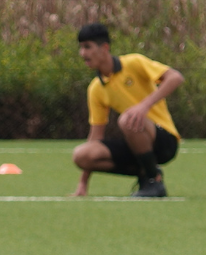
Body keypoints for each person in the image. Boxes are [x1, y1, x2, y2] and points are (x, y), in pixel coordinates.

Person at [71, 23, 184, 198]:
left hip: (164, 140)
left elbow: (175, 78)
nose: (82, 54)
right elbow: (96, 136)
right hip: (136, 141)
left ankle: (154, 181)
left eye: (87, 47)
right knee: (82, 155)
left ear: (105, 48)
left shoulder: (133, 63)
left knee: (128, 119)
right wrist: (83, 183)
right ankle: (146, 170)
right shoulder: (95, 89)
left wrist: (143, 106)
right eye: (80, 48)